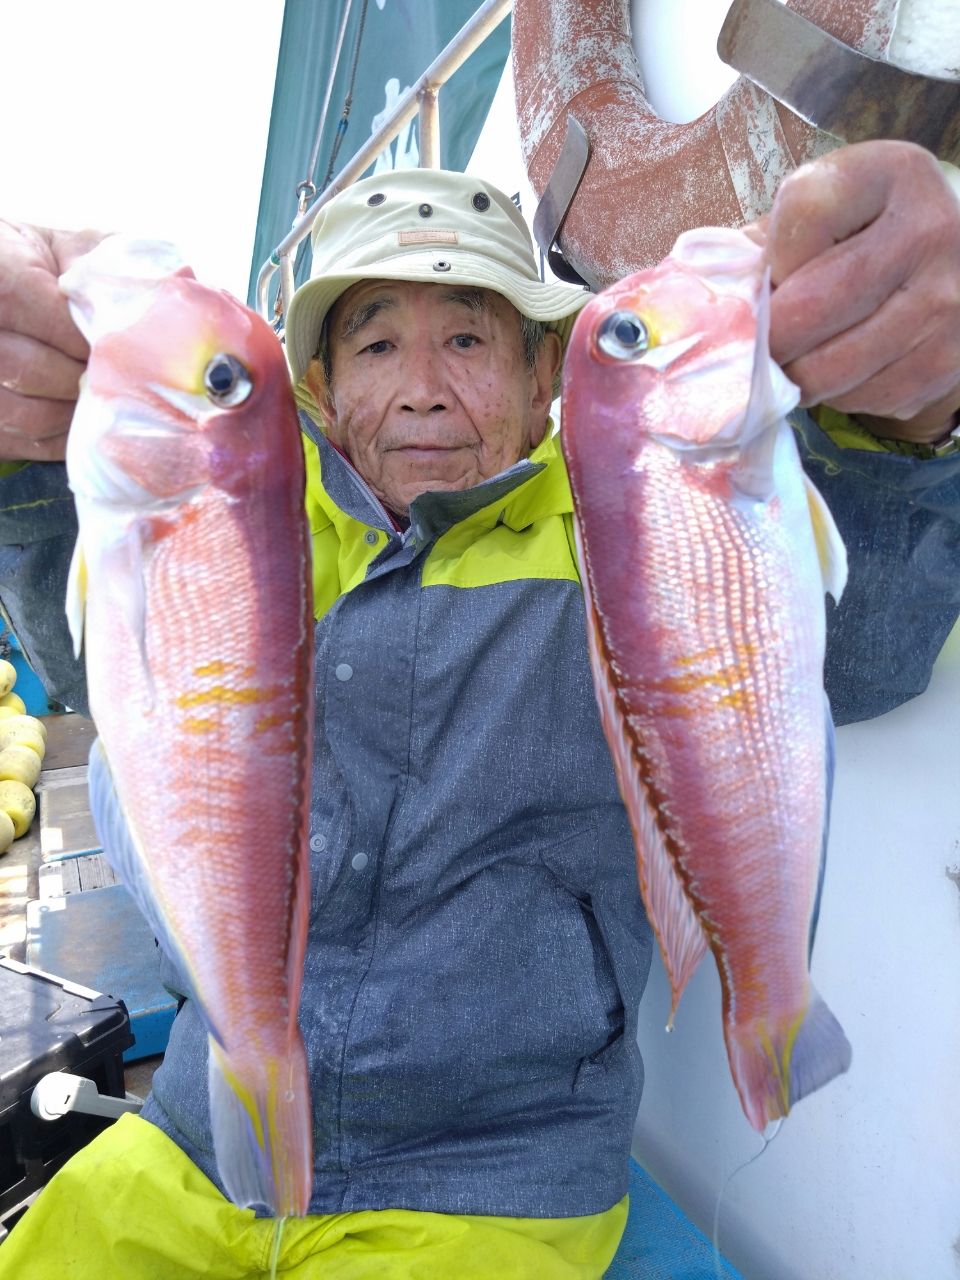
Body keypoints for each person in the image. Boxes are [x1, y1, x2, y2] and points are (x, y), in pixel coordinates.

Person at [0, 142, 958, 1278]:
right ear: (318, 387)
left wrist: (911, 423)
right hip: (199, 1139)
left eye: (466, 338)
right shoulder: (240, 522)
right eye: (376, 345)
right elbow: (91, 665)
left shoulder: (627, 522)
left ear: (544, 373)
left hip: (498, 1184)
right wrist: (23, 457)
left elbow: (865, 645)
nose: (421, 386)